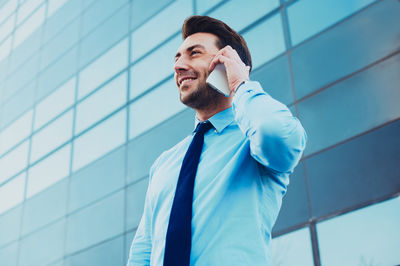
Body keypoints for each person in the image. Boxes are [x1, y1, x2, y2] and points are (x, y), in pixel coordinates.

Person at [127, 15, 307, 266]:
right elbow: (143, 252)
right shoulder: (163, 164)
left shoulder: (253, 138)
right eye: (177, 58)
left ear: (225, 62)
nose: (178, 66)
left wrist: (240, 82)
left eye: (194, 53)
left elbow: (275, 132)